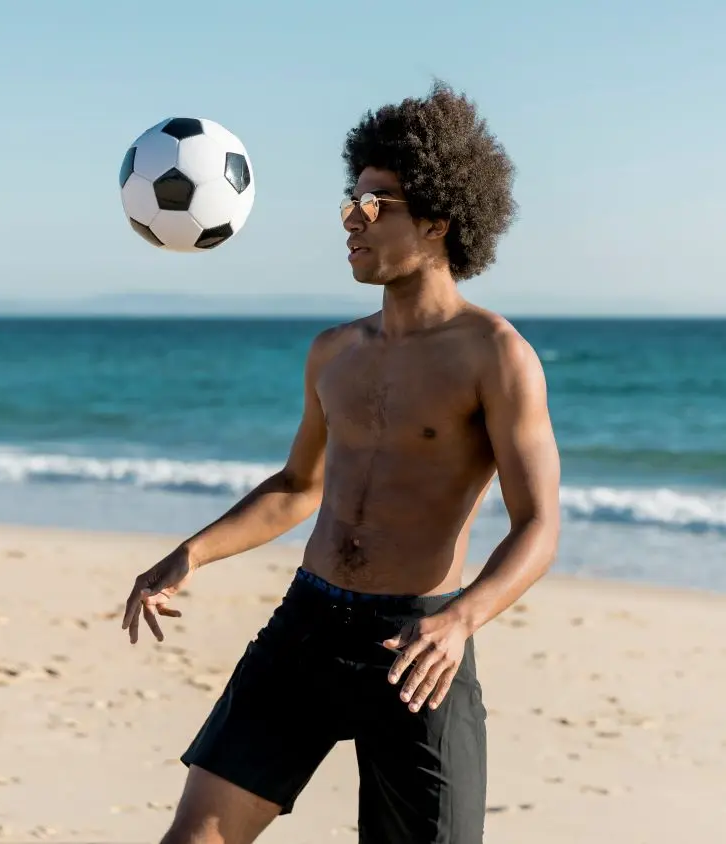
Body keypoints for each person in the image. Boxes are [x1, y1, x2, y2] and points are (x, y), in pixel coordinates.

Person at [121, 82, 561, 844]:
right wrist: (192, 552)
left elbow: (539, 525)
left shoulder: (496, 356)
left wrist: (461, 620)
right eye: (351, 200)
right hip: (307, 625)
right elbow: (298, 486)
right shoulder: (334, 352)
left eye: (377, 203)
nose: (352, 220)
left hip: (416, 646)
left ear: (438, 220)